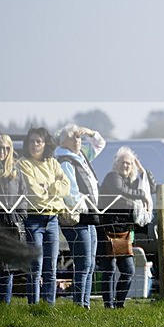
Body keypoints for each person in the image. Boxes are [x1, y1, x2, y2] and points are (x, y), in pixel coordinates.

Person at [54, 124, 106, 309]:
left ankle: (85, 303)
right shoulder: (65, 160)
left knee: (90, 263)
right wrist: (88, 205)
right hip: (78, 216)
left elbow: (100, 144)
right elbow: (71, 192)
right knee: (83, 263)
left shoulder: (81, 155)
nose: (79, 140)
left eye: (79, 137)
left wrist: (90, 132)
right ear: (65, 141)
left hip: (89, 215)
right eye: (75, 137)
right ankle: (79, 304)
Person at [18, 126, 70, 305]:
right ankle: (34, 304)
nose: (34, 145)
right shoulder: (23, 163)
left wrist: (49, 187)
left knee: (51, 266)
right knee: (36, 265)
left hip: (53, 220)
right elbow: (34, 193)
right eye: (31, 141)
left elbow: (66, 186)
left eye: (38, 141)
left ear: (45, 143)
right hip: (34, 220)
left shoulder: (53, 163)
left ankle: (49, 305)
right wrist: (53, 190)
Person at [97, 147, 154, 308]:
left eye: (129, 163)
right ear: (116, 163)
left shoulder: (133, 181)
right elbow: (120, 191)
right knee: (109, 270)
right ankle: (109, 306)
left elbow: (151, 187)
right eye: (122, 162)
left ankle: (119, 304)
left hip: (124, 232)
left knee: (128, 270)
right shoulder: (112, 177)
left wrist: (142, 169)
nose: (126, 166)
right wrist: (141, 196)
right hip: (108, 230)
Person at [0, 135, 28, 304]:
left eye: (6, 148)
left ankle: (5, 311)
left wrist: (17, 216)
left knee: (8, 273)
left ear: (11, 150)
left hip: (12, 228)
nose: (2, 151)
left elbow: (23, 198)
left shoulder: (17, 173)